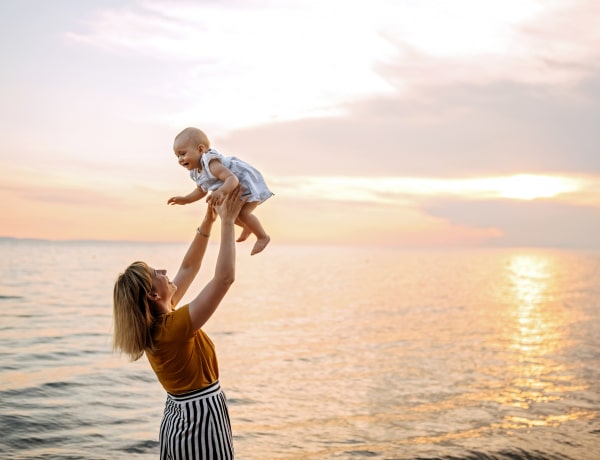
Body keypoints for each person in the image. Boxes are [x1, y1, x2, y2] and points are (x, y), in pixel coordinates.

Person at [113, 186, 247, 460]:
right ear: (152, 295)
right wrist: (228, 223)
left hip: (180, 419)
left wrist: (208, 220)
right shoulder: (172, 329)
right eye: (156, 273)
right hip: (200, 424)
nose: (164, 271)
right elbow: (224, 279)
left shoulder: (162, 321)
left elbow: (189, 268)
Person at [168, 127, 273, 256]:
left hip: (246, 182)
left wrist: (221, 192)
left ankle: (262, 236)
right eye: (177, 156)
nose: (180, 159)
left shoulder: (211, 163)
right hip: (233, 187)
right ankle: (248, 227)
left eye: (183, 154)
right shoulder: (196, 172)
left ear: (201, 149)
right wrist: (186, 199)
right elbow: (201, 190)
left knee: (244, 214)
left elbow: (232, 178)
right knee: (228, 214)